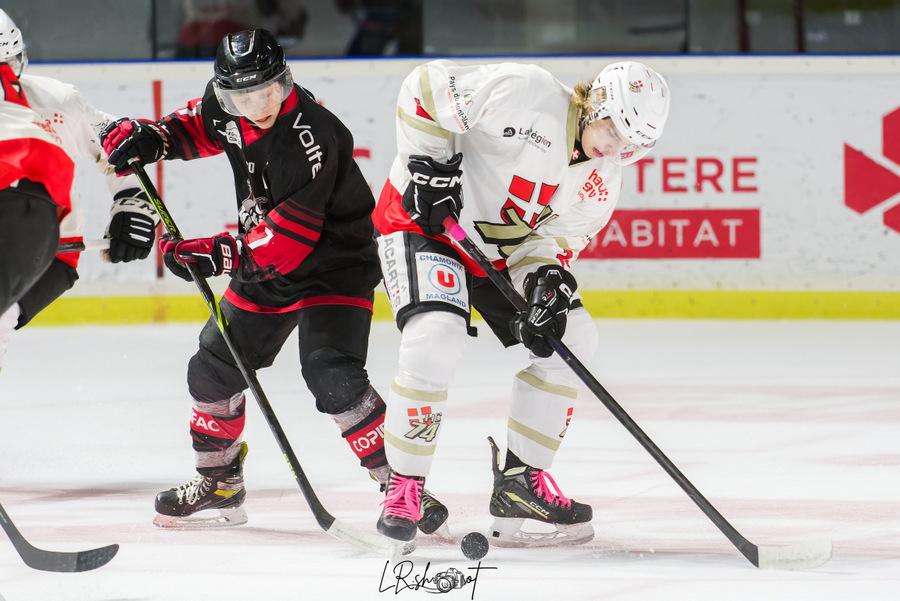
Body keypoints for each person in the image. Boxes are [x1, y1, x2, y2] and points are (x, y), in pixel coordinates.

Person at [100, 29, 448, 532]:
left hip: (334, 266)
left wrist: (219, 253)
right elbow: (199, 126)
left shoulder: (313, 136)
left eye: (266, 92)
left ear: (283, 81)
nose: (257, 106)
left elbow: (286, 245)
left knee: (333, 376)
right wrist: (155, 138)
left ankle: (402, 488)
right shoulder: (226, 106)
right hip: (265, 262)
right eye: (242, 97)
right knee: (213, 369)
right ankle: (220, 484)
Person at [372, 59, 670, 544]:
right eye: (614, 131)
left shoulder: (602, 182)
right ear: (594, 103)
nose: (616, 148)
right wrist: (429, 169)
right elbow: (423, 89)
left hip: (497, 254)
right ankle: (404, 486)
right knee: (435, 337)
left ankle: (520, 482)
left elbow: (549, 243)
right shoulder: (525, 92)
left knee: (573, 338)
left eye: (631, 145)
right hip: (423, 226)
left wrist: (545, 285)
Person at [0, 9, 158, 371]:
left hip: (50, 255)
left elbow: (123, 147)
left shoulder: (56, 101)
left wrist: (133, 205)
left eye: (8, 63)